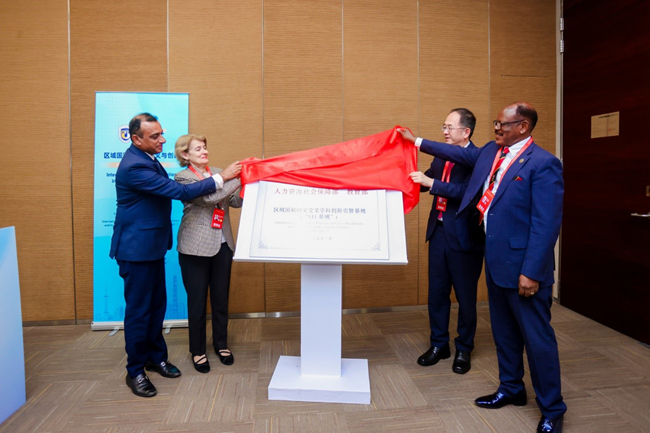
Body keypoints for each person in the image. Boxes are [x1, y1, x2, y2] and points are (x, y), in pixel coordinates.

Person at [398, 102, 566, 433]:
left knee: (537, 340)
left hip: (525, 268)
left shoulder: (544, 163)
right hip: (496, 261)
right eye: (496, 123)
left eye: (503, 124)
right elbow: (456, 154)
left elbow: (546, 224)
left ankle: (552, 409)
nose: (497, 128)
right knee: (504, 333)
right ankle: (511, 388)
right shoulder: (491, 152)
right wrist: (415, 142)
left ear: (523, 127)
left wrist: (532, 272)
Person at [110, 113, 236, 398]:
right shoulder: (134, 166)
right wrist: (223, 177)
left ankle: (156, 358)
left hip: (152, 247)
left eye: (161, 133)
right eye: (155, 136)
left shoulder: (148, 159)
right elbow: (177, 190)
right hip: (135, 249)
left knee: (156, 306)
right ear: (136, 139)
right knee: (139, 312)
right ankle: (135, 371)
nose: (162, 140)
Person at [409, 108, 483, 374]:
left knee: (465, 297)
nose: (444, 132)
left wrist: (431, 183)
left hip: (464, 236)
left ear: (466, 131)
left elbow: (466, 192)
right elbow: (428, 177)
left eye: (449, 127)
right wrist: (406, 179)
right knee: (437, 293)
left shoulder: (479, 157)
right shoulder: (441, 157)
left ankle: (464, 348)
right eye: (444, 127)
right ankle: (439, 344)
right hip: (438, 232)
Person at [174, 134, 243, 373]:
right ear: (185, 155)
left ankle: (221, 344)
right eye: (198, 149)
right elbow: (208, 198)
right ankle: (198, 351)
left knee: (221, 298)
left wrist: (247, 183)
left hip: (223, 243)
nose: (204, 151)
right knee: (197, 302)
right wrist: (233, 178)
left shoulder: (218, 172)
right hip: (195, 246)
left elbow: (234, 201)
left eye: (204, 147)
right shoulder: (183, 177)